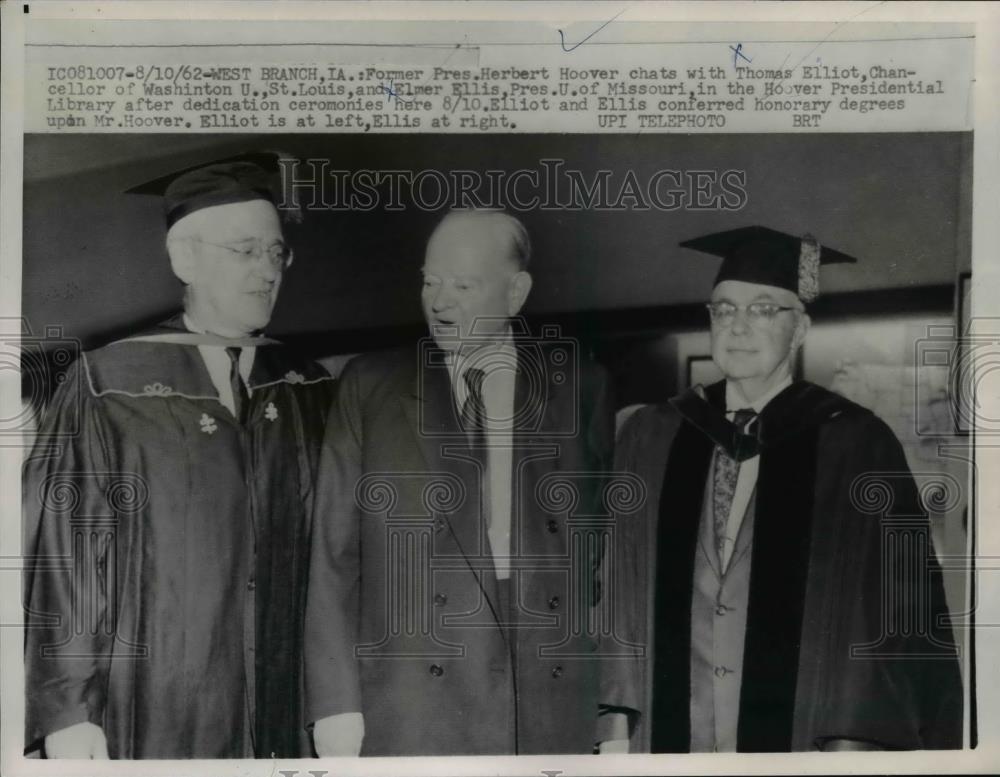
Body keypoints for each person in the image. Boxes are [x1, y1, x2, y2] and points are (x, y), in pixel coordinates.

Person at [604, 225, 963, 752]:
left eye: (763, 310)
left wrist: (852, 739)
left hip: (803, 735)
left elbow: (893, 608)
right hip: (667, 732)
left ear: (800, 329)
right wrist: (612, 720)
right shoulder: (652, 434)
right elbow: (616, 585)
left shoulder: (854, 443)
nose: (738, 326)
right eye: (724, 310)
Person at [23, 154, 335, 759]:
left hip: (285, 694)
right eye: (245, 250)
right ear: (184, 259)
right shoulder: (109, 383)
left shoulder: (308, 385)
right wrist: (69, 712)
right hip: (158, 693)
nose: (267, 270)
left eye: (277, 253)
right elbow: (69, 555)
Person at [305, 209, 620, 756]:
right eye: (430, 282)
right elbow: (332, 559)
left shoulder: (581, 387)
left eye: (463, 285)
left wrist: (613, 711)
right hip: (411, 701)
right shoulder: (371, 385)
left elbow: (605, 561)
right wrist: (334, 706)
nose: (440, 302)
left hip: (546, 700)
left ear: (516, 292)